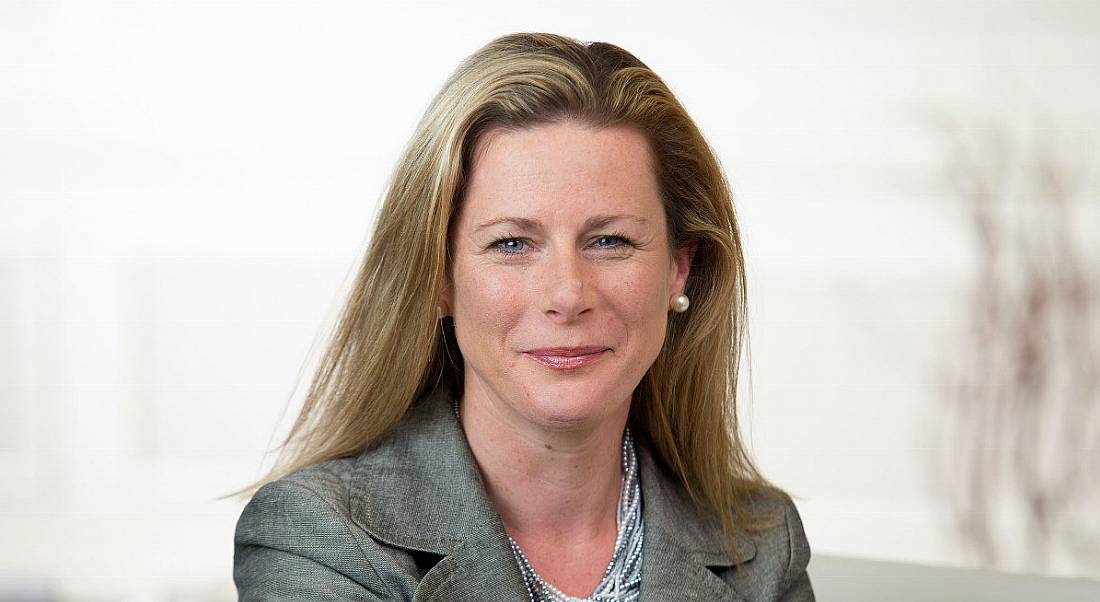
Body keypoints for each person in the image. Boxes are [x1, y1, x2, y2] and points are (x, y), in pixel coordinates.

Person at [233, 32, 813, 601]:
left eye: (610, 240)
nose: (567, 294)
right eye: (512, 244)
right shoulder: (319, 537)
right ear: (438, 276)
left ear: (678, 272)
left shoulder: (762, 542)